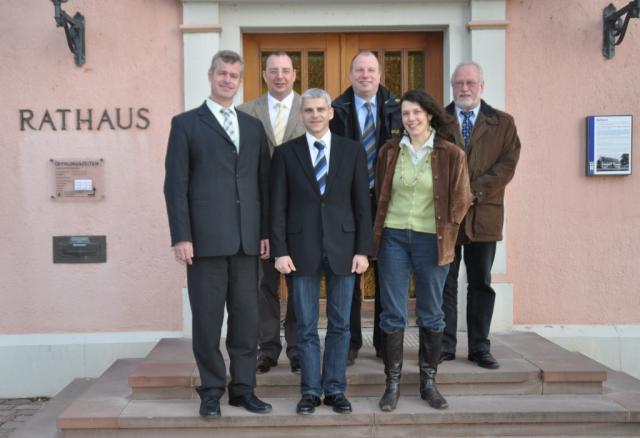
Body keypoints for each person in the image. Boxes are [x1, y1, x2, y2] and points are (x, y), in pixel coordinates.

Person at [163, 50, 272, 418]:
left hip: (246, 241)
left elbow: (262, 184)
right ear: (211, 76)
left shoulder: (253, 127)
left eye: (234, 75)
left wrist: (265, 231)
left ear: (240, 81)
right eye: (222, 73)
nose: (228, 80)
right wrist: (181, 236)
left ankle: (243, 389)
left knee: (246, 321)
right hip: (204, 242)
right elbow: (175, 186)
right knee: (208, 322)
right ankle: (211, 390)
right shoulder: (186, 124)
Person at [271, 88, 372, 415]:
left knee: (341, 324)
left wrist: (363, 250)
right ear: (301, 115)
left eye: (320, 109)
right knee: (305, 326)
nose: (315, 115)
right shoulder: (285, 154)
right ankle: (311, 391)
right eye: (309, 110)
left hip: (345, 250)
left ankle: (335, 389)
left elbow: (362, 205)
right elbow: (277, 207)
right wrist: (280, 250)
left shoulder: (352, 151)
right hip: (301, 250)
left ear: (331, 113)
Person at [372, 90, 472, 411]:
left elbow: (462, 199)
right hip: (393, 238)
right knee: (393, 312)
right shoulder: (389, 151)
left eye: (416, 112)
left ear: (429, 114)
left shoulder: (450, 153)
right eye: (405, 113)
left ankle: (428, 383)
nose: (411, 118)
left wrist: (448, 227)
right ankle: (392, 384)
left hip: (432, 240)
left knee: (431, 311)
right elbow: (380, 194)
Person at [440, 61, 521, 370]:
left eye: (470, 83)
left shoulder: (503, 123)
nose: (464, 88)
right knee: (445, 282)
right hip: (446, 216)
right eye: (459, 83)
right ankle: (444, 345)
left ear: (482, 86)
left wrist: (473, 191)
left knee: (481, 283)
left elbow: (507, 165)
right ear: (452, 86)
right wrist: (455, 193)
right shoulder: (437, 120)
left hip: (484, 214)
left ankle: (479, 347)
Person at [330, 51, 402, 365]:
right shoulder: (336, 110)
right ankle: (350, 343)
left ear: (379, 74)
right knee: (350, 275)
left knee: (388, 274)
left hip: (390, 205)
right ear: (350, 75)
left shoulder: (398, 109)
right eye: (359, 70)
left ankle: (385, 343)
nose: (365, 75)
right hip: (348, 206)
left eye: (371, 70)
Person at [238, 51, 305, 375]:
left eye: (285, 70)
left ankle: (297, 349)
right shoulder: (244, 112)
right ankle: (267, 348)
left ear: (294, 74)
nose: (280, 76)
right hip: (260, 210)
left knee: (298, 283)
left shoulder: (311, 108)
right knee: (264, 283)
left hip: (301, 212)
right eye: (273, 71)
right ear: (264, 75)